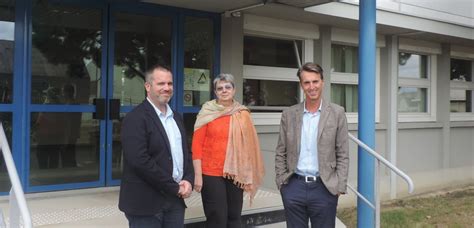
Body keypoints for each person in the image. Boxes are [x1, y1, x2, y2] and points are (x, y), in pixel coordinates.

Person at [119, 64, 194, 228]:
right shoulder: (135, 118)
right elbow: (139, 161)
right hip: (145, 203)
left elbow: (186, 153)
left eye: (170, 84)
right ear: (148, 86)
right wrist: (174, 187)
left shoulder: (177, 118)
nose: (167, 88)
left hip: (175, 201)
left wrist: (188, 179)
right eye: (161, 84)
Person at [275, 62, 349, 228]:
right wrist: (282, 182)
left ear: (322, 82)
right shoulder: (289, 114)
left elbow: (342, 152)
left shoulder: (337, 113)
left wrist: (339, 185)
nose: (311, 87)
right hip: (294, 186)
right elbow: (281, 151)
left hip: (324, 187)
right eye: (307, 82)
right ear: (301, 85)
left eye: (315, 81)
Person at [192, 73, 265, 228]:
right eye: (220, 88)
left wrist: (248, 173)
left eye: (227, 87)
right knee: (217, 218)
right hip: (211, 172)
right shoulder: (207, 112)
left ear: (234, 89)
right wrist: (198, 175)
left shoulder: (242, 113)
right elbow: (197, 146)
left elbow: (249, 145)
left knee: (234, 217)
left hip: (235, 173)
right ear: (215, 92)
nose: (224, 90)